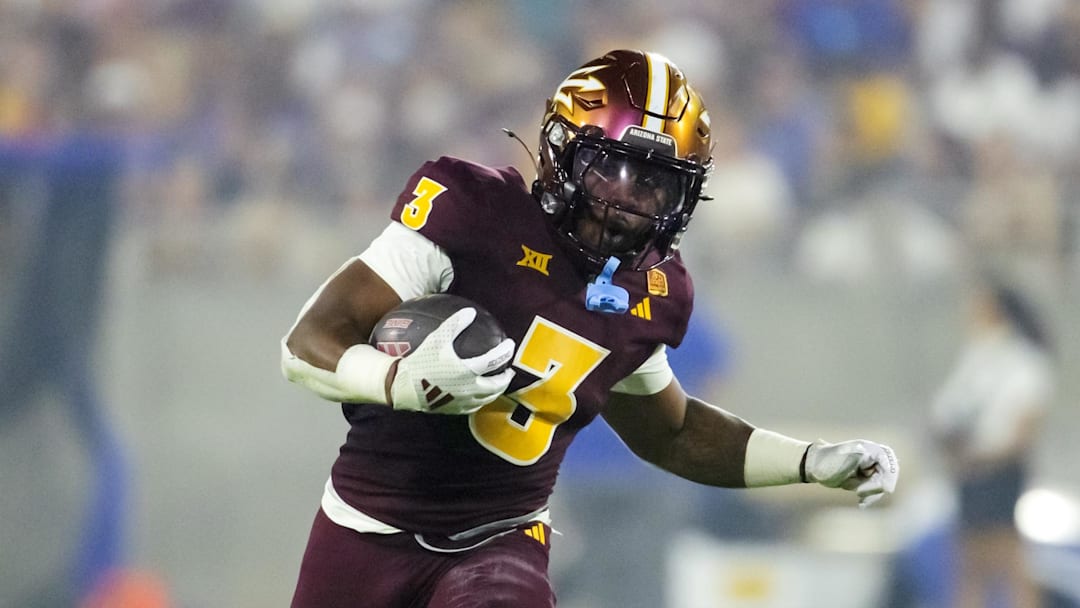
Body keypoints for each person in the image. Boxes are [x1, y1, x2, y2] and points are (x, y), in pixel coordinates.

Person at [280, 49, 900, 607]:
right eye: (610, 169)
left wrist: (810, 462)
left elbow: (673, 431)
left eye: (655, 184)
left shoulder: (652, 292)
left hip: (501, 538)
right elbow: (308, 345)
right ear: (560, 152)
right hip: (365, 524)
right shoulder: (471, 211)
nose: (628, 200)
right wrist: (401, 381)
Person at [930, 278, 1055, 608]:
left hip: (999, 470)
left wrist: (987, 455)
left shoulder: (1023, 361)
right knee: (969, 564)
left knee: (1007, 558)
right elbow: (949, 411)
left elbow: (1023, 427)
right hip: (969, 469)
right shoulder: (976, 358)